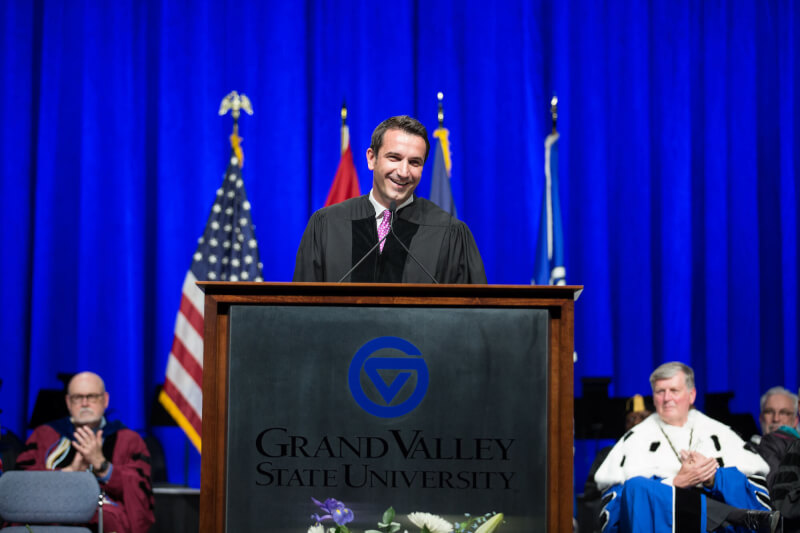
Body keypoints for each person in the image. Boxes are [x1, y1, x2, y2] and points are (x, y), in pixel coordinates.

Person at [293, 115, 486, 284]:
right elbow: (301, 311)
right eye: (394, 158)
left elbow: (470, 316)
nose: (403, 172)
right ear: (371, 159)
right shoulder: (327, 225)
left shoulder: (450, 233)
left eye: (414, 162)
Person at [595, 362, 778, 533]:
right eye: (660, 391)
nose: (667, 398)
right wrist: (675, 483)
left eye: (674, 390)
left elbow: (758, 501)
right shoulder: (634, 439)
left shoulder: (720, 433)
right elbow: (616, 511)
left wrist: (713, 479)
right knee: (637, 487)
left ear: (692, 395)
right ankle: (728, 515)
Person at [15, 371, 154, 533]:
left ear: (105, 400)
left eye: (92, 396)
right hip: (52, 513)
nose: (85, 403)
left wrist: (102, 466)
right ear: (68, 402)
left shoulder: (129, 440)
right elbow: (21, 486)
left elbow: (140, 494)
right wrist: (70, 473)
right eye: (77, 397)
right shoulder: (44, 436)